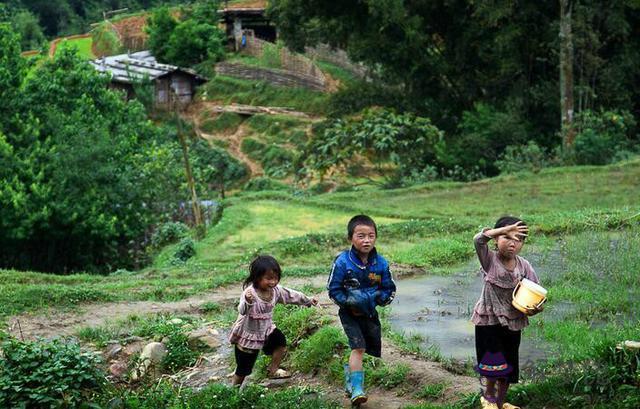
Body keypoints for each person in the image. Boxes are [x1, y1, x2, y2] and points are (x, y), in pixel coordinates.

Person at [472, 216, 543, 409]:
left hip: (513, 320)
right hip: (489, 318)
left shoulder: (524, 266)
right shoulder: (489, 260)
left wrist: (536, 308)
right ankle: (488, 398)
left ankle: (502, 402)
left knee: (509, 363)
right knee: (492, 362)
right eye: (506, 237)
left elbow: (537, 293)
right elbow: (478, 240)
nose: (512, 243)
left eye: (518, 239)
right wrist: (502, 229)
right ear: (496, 239)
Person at [327, 215, 397, 405]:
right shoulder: (342, 262)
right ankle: (358, 390)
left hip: (370, 313)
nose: (366, 240)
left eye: (371, 236)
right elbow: (333, 290)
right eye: (361, 236)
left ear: (375, 237)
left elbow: (389, 288)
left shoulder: (381, 264)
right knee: (358, 347)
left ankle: (350, 380)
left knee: (369, 349)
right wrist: (349, 303)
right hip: (349, 314)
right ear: (350, 238)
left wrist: (378, 301)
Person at [229, 255, 317, 386]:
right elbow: (242, 310)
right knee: (244, 369)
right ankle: (233, 391)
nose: (273, 282)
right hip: (249, 334)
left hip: (267, 329)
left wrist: (308, 300)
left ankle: (273, 369)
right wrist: (248, 302)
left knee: (280, 341)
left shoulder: (276, 291)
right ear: (257, 278)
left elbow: (291, 295)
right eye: (269, 278)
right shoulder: (250, 293)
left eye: (276, 278)